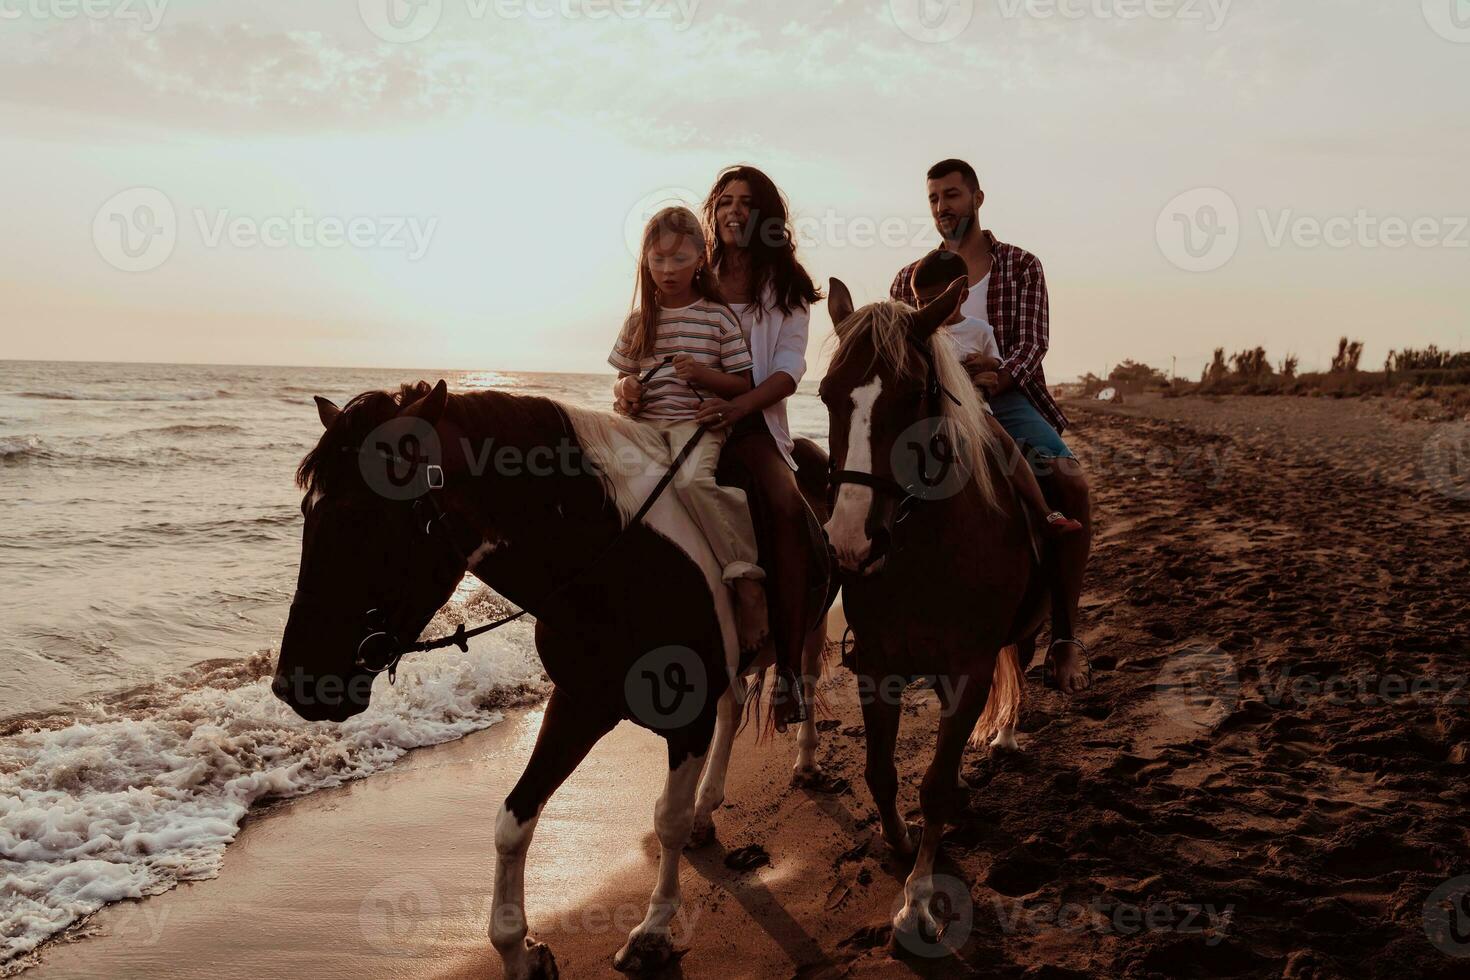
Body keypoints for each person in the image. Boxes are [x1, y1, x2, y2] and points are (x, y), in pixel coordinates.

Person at [618, 165, 822, 730]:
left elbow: (787, 373)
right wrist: (632, 392)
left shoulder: (788, 288)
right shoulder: (691, 271)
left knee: (783, 505)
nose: (735, 210)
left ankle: (787, 670)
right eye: (725, 201)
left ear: (765, 215)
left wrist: (736, 408)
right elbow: (649, 347)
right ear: (714, 211)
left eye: (748, 202)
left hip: (751, 424)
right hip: (680, 418)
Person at [892, 158, 1093, 695]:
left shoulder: (1021, 266)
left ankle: (1066, 637)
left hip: (1005, 402)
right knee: (873, 489)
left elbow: (1032, 343)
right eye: (933, 198)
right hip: (934, 410)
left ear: (978, 198)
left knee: (1069, 479)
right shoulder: (908, 279)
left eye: (952, 195)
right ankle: (891, 628)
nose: (943, 207)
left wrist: (998, 376)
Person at [610, 206, 768, 655]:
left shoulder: (716, 317)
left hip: (693, 425)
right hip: (642, 427)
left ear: (701, 258)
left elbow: (743, 382)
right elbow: (620, 380)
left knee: (692, 482)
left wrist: (702, 374)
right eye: (657, 260)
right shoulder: (640, 322)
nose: (667, 270)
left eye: (679, 259)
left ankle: (745, 578)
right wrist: (627, 388)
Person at [908, 249, 1082, 537]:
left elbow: (1002, 358)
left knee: (1002, 443)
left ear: (961, 296)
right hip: (934, 404)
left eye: (934, 300)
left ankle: (1044, 511)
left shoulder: (979, 329)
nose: (926, 307)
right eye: (920, 301)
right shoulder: (920, 333)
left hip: (974, 407)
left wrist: (988, 368)